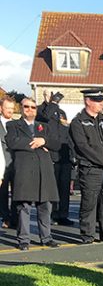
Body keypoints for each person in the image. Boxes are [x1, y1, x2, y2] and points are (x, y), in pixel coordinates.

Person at [6, 98, 60, 250]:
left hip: (44, 171)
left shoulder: (44, 127)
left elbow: (56, 143)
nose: (30, 109)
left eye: (33, 107)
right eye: (26, 106)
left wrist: (44, 141)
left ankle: (46, 237)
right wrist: (34, 143)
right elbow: (12, 142)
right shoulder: (13, 125)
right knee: (24, 207)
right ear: (21, 108)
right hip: (25, 171)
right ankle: (24, 239)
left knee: (45, 206)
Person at [69, 88, 103, 244]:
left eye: (101, 100)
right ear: (87, 101)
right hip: (90, 169)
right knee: (89, 203)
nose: (101, 103)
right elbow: (82, 146)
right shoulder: (78, 122)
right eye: (97, 100)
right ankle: (87, 235)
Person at [38, 91, 73, 225]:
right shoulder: (41, 110)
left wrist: (71, 154)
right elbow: (45, 118)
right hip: (51, 154)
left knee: (64, 187)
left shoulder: (61, 112)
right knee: (51, 187)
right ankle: (51, 214)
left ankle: (63, 214)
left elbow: (66, 133)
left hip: (63, 156)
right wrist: (50, 103)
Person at [0, 96, 15, 228]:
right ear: (1, 108)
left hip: (16, 164)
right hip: (2, 165)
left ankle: (15, 218)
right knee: (2, 193)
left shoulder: (17, 124)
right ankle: (6, 217)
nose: (10, 111)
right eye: (7, 108)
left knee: (17, 192)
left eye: (12, 108)